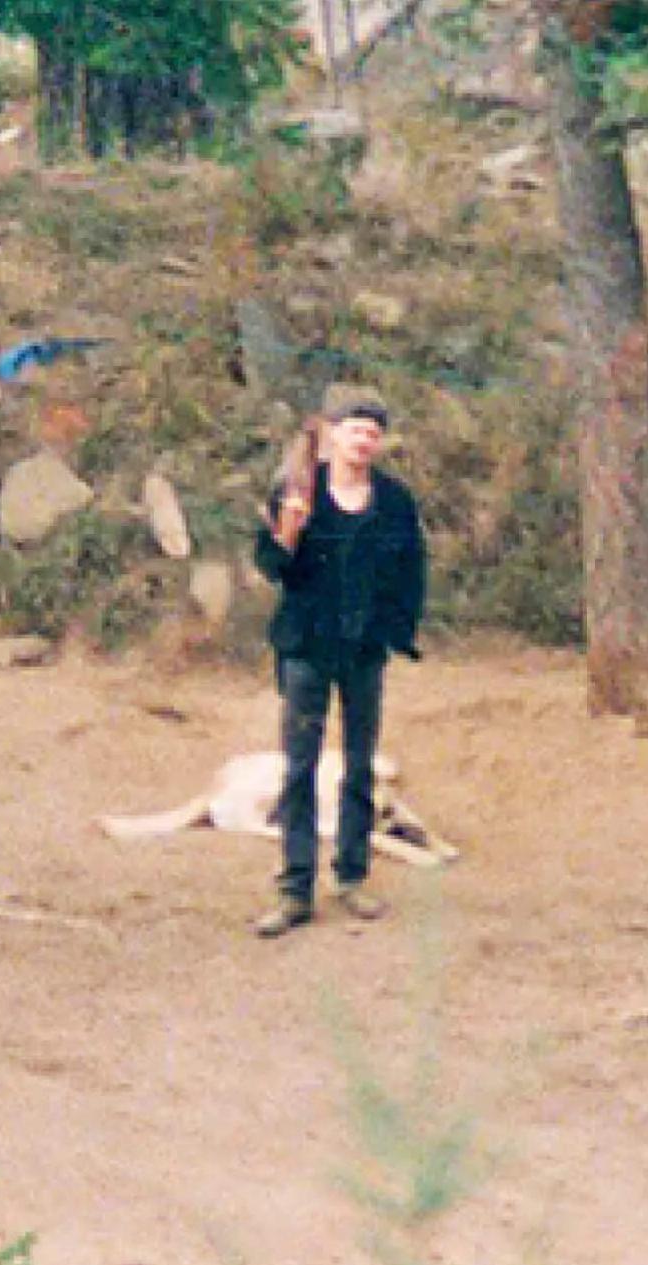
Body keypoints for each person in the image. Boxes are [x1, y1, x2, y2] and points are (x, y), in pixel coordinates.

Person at [250, 382, 427, 939]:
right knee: (300, 767)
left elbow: (411, 570)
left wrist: (397, 632)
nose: (364, 440)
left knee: (359, 763)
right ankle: (295, 888)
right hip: (306, 647)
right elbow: (270, 566)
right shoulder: (298, 489)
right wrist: (289, 531)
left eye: (373, 432)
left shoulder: (394, 501)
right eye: (355, 429)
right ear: (332, 434)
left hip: (364, 651)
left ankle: (351, 877)